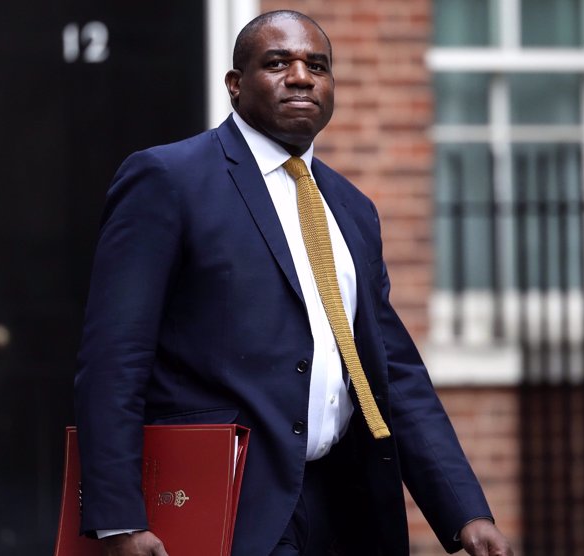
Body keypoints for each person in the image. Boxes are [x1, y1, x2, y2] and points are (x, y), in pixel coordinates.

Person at [75, 10, 513, 556]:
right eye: (278, 62)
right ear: (236, 85)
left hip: (344, 505)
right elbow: (115, 357)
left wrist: (464, 510)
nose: (302, 76)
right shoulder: (169, 180)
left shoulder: (353, 209)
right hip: (230, 504)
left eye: (318, 65)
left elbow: (393, 372)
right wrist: (119, 517)